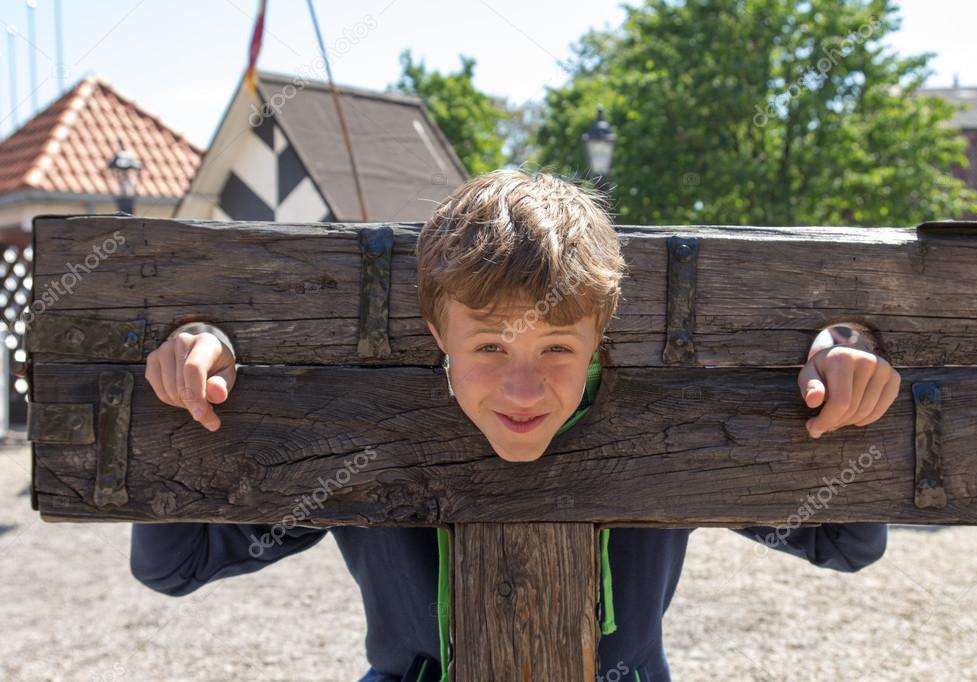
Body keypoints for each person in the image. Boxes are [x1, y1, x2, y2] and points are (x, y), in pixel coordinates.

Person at [131, 169, 898, 681]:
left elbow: (844, 540)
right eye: (490, 346)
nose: (522, 387)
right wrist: (189, 390)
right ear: (436, 334)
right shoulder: (352, 436)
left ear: (601, 338)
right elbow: (175, 564)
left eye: (557, 347)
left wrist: (844, 372)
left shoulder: (677, 434)